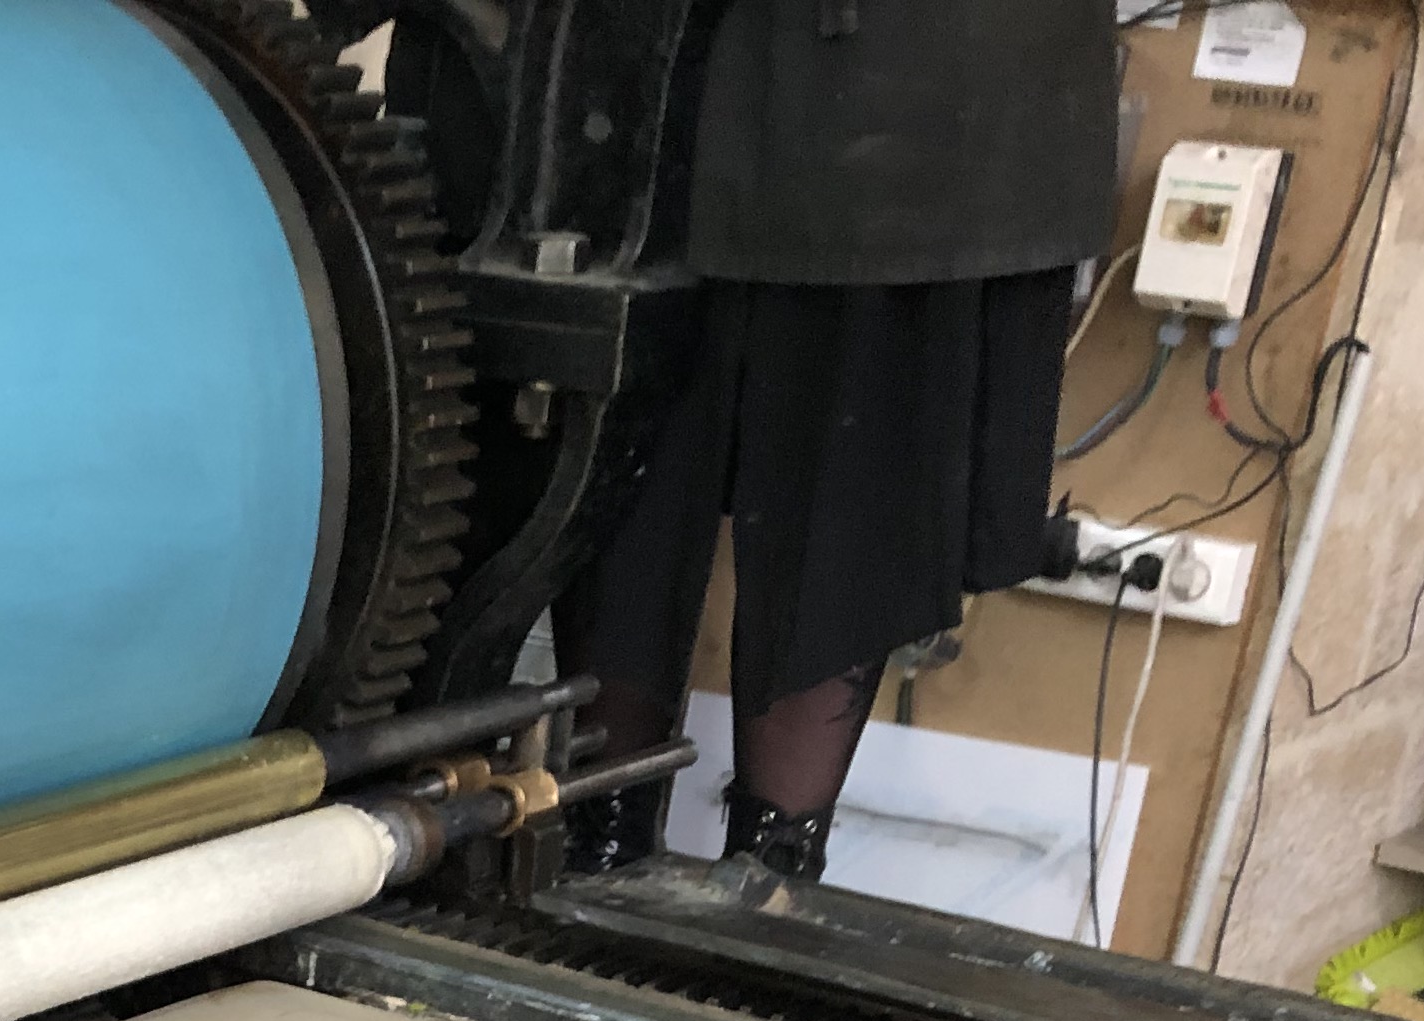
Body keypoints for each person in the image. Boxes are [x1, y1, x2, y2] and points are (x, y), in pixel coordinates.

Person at [357, 0, 1121, 881]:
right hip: (576, 87)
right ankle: (598, 835)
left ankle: (771, 863)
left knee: (849, 449)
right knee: (599, 447)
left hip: (897, 106)